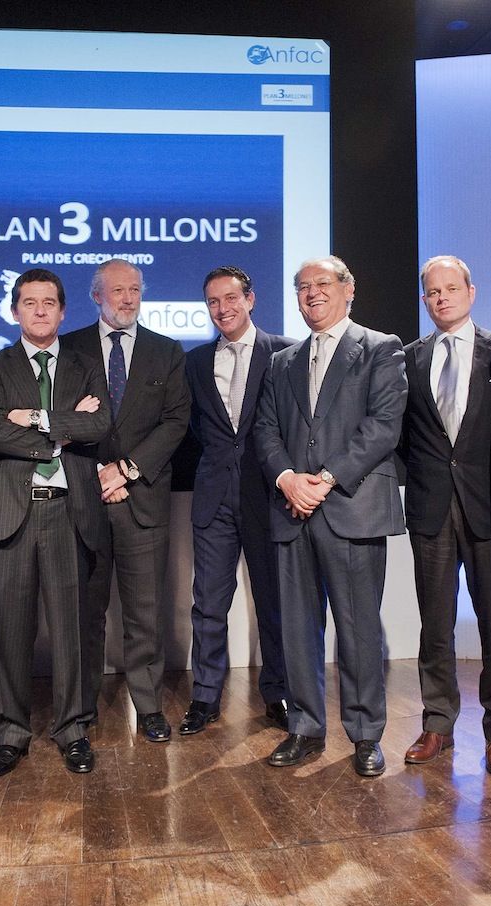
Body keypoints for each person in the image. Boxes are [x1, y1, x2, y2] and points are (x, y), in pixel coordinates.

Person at [252, 256, 407, 777]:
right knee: (298, 629)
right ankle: (304, 727)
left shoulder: (380, 347)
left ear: (348, 290)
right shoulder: (282, 362)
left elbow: (384, 425)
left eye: (322, 283)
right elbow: (266, 430)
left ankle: (365, 735)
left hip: (351, 507)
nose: (312, 292)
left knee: (358, 629)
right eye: (303, 286)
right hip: (292, 509)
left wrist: (324, 479)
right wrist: (287, 479)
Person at [0, 268, 111, 776]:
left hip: (68, 513)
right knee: (11, 632)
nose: (40, 310)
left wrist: (33, 417)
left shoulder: (85, 366)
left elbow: (99, 424)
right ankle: (11, 733)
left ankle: (72, 730)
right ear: (14, 311)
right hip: (13, 512)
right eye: (29, 302)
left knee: (71, 631)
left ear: (63, 311)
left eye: (49, 302)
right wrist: (61, 433)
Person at [61, 259, 190, 742]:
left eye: (134, 289)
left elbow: (176, 422)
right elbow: (60, 415)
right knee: (84, 612)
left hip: (142, 500)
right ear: (97, 296)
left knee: (145, 613)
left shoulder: (166, 351)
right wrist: (96, 473)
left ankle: (149, 705)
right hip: (85, 499)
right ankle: (81, 705)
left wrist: (127, 470)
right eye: (117, 290)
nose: (128, 299)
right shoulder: (68, 348)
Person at [400, 256, 491, 776]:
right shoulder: (409, 358)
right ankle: (437, 724)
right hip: (430, 508)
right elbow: (400, 435)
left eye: (451, 288)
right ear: (424, 299)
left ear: (471, 292)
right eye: (433, 291)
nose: (442, 297)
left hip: (489, 508)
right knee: (435, 625)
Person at [180, 266, 294, 735]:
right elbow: (195, 429)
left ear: (250, 299)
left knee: (274, 602)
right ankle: (205, 695)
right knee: (208, 603)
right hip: (213, 499)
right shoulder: (194, 362)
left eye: (230, 298)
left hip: (268, 496)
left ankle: (279, 693)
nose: (222, 309)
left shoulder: (285, 352)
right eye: (213, 302)